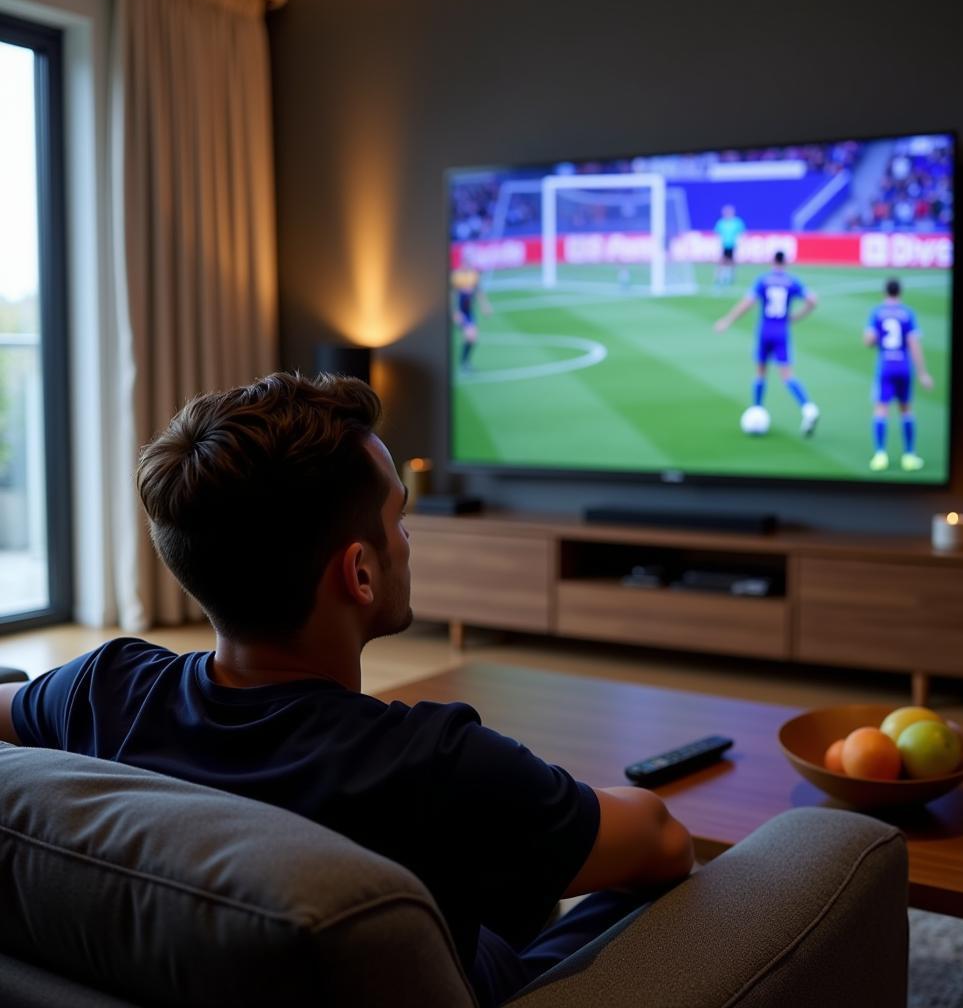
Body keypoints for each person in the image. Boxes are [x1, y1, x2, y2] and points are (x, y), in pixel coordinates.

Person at [0, 372, 693, 1008]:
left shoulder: (101, 686)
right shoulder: (436, 765)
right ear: (359, 574)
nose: (409, 537)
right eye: (398, 516)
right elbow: (662, 841)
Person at [714, 251, 821, 436]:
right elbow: (813, 300)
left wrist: (727, 320)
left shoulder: (763, 280)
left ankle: (757, 409)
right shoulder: (792, 281)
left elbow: (747, 304)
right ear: (785, 263)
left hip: (765, 330)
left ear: (772, 262)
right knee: (787, 375)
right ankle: (808, 408)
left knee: (760, 373)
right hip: (782, 331)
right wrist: (797, 316)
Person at [864, 278, 934, 471]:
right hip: (904, 366)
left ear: (884, 292)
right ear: (900, 292)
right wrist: (923, 373)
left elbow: (868, 340)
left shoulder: (877, 312)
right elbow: (914, 344)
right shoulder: (907, 313)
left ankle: (880, 455)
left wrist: (877, 338)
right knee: (906, 410)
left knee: (881, 410)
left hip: (885, 365)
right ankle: (909, 456)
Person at [451, 246, 491, 372]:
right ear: (463, 260)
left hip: (469, 311)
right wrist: (454, 312)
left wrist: (485, 306)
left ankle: (464, 363)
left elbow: (478, 291)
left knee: (472, 337)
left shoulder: (473, 275)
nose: (469, 262)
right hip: (460, 311)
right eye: (468, 259)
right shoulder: (456, 276)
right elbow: (451, 295)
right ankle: (464, 364)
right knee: (470, 336)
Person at [713, 203, 745, 289]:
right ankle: (718, 280)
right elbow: (717, 234)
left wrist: (739, 244)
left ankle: (730, 278)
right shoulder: (721, 222)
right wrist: (718, 245)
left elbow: (741, 234)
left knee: (732, 263)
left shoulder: (737, 222)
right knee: (721, 262)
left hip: (733, 245)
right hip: (723, 245)